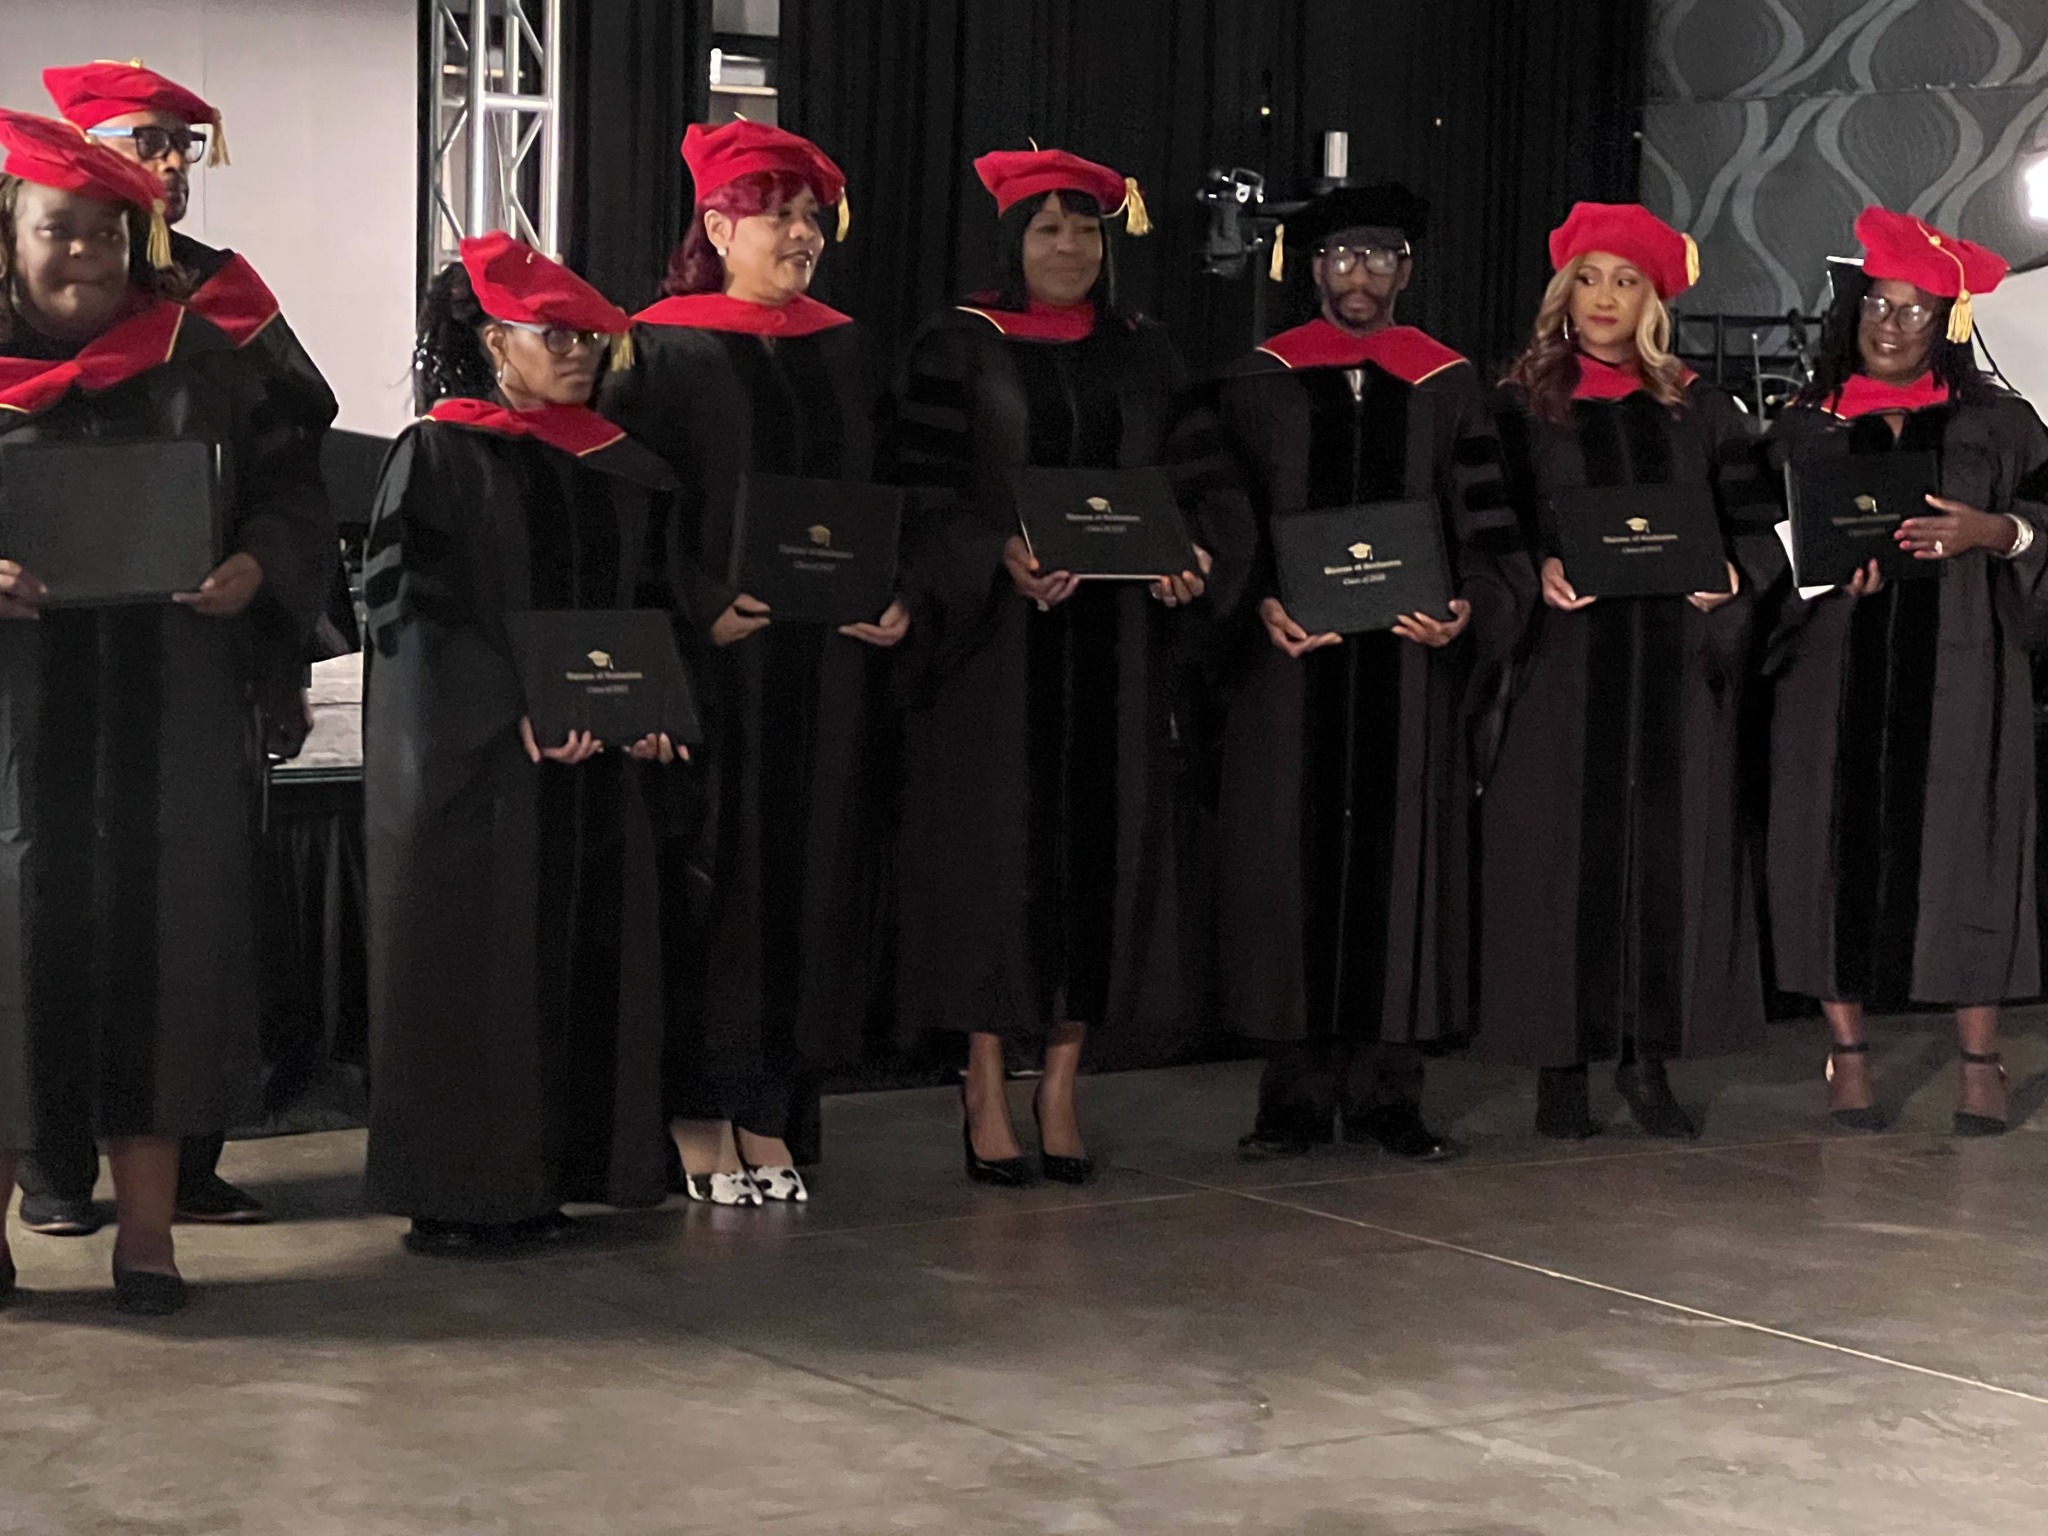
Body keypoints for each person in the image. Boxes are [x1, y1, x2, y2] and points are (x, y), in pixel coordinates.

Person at [0, 110, 334, 1313]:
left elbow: (296, 490)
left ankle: (148, 1236)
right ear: (10, 234)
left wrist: (261, 566)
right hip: (13, 727)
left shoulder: (206, 355)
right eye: (56, 229)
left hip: (167, 710)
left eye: (105, 231)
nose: (82, 254)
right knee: (3, 965)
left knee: (158, 963)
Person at [892, 147, 1246, 1186]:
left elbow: (1199, 482)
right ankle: (984, 1078)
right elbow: (919, 485)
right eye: (1045, 229)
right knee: (999, 865)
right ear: (1011, 243)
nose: (1067, 247)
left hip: (1115, 647)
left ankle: (1060, 1085)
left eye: (1084, 229)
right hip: (995, 656)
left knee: (1100, 858)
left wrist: (1190, 558)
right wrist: (991, 553)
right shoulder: (957, 347)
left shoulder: (1146, 352)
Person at [362, 234, 684, 1252]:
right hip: (481, 773)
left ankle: (564, 1168)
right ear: (493, 340)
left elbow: (647, 608)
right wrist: (517, 709)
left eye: (592, 336)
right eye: (556, 335)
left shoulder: (617, 467)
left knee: (585, 947)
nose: (580, 352)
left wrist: (654, 711)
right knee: (480, 965)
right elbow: (410, 611)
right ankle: (464, 1192)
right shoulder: (441, 453)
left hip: (595, 767)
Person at [600, 121, 896, 1206]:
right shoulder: (658, 348)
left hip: (823, 667)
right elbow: (632, 504)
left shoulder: (845, 347)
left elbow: (886, 493)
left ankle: (771, 1108)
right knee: (712, 883)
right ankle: (693, 1110)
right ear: (718, 226)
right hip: (716, 667)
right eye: (780, 215)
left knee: (804, 880)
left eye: (813, 217)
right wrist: (697, 604)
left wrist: (893, 590)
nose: (802, 234)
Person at [1212, 183, 1534, 1160]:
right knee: (1289, 867)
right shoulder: (1258, 381)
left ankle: (1390, 1090)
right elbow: (1228, 517)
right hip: (1291, 675)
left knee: (1401, 874)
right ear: (1312, 271)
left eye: (1379, 256)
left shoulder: (1446, 385)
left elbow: (1488, 527)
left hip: (1406, 669)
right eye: (1341, 257)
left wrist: (1467, 609)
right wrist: (1259, 596)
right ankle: (1293, 1094)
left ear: (1406, 269)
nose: (1359, 275)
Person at [1481, 202, 1769, 1139]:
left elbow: (1759, 521)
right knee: (1557, 859)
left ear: (1652, 300)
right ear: (1566, 291)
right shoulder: (1518, 404)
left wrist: (1734, 575)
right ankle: (1559, 1069)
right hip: (1565, 663)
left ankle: (1647, 1063)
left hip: (1672, 666)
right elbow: (1487, 520)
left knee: (1662, 856)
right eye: (1592, 278)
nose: (1606, 298)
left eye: (1628, 281)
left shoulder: (1701, 405)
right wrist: (1538, 567)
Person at [1765, 208, 2048, 1136]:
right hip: (1833, 668)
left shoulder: (2000, 426)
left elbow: (2040, 523)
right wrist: (1813, 572)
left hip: (1964, 668)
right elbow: (1753, 549)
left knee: (1966, 852)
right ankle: (1847, 1058)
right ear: (1851, 316)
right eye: (1877, 306)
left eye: (1916, 309)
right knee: (1828, 847)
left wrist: (1993, 532)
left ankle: (1980, 1059)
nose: (1891, 325)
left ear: (1947, 322)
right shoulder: (1803, 427)